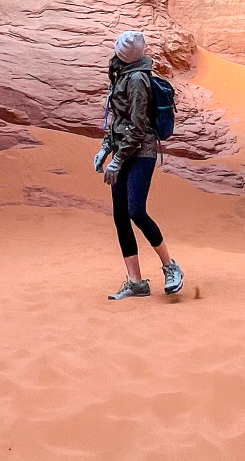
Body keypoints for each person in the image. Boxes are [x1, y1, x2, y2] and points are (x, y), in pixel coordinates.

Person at [98, 30, 182, 299]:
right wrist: (105, 148)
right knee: (120, 215)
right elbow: (119, 121)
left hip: (140, 152)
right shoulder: (120, 73)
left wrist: (117, 161)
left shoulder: (136, 80)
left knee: (136, 210)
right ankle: (136, 282)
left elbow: (136, 128)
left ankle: (170, 267)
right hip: (123, 150)